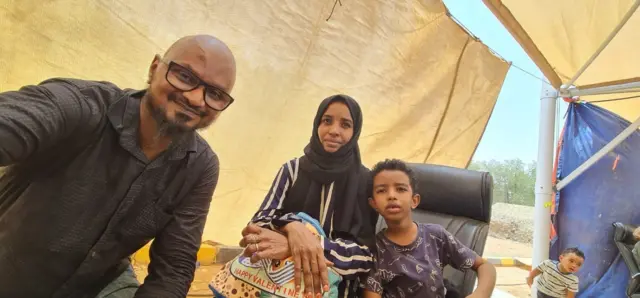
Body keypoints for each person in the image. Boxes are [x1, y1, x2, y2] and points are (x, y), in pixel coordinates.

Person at [0, 35, 236, 298]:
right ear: (155, 68)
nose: (196, 99)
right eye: (185, 76)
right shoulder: (82, 107)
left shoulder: (200, 167)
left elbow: (173, 268)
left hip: (91, 286)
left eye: (215, 94)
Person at [236, 95, 378, 298]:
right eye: (327, 121)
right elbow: (257, 226)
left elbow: (366, 256)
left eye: (345, 124)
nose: (334, 131)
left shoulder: (366, 181)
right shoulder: (292, 170)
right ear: (317, 124)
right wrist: (292, 227)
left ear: (355, 132)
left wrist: (310, 246)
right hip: (281, 288)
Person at [363, 159, 497, 298]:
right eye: (382, 190)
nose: (391, 195)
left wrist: (480, 294)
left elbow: (485, 267)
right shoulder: (373, 251)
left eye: (401, 189)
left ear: (414, 201)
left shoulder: (435, 236)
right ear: (374, 204)